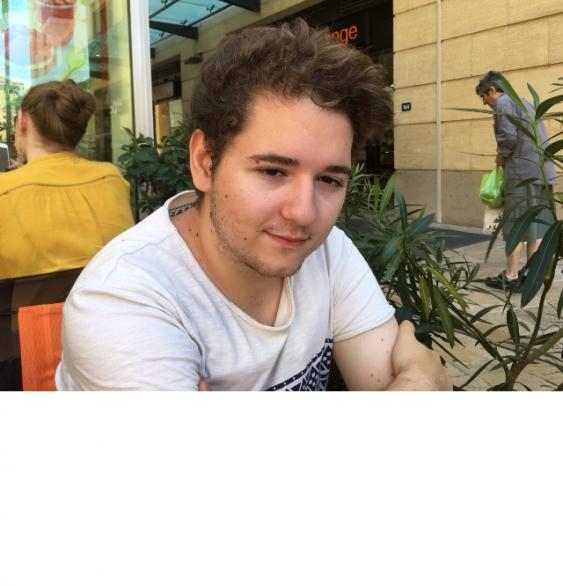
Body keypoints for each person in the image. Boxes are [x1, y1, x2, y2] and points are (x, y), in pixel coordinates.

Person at [58, 20, 450, 391]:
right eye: (273, 171)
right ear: (205, 162)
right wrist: (420, 379)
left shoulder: (329, 251)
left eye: (329, 180)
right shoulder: (124, 301)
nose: (304, 213)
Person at [0, 80, 134, 278]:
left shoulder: (5, 191)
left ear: (22, 121)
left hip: (30, 301)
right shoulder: (111, 179)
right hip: (107, 298)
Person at [475, 70, 556, 291]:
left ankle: (511, 277)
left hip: (522, 174)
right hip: (542, 173)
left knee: (516, 226)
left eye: (483, 96)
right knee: (535, 226)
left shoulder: (503, 103)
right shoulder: (526, 103)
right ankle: (531, 275)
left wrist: (500, 156)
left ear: (492, 90)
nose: (484, 103)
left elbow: (508, 138)